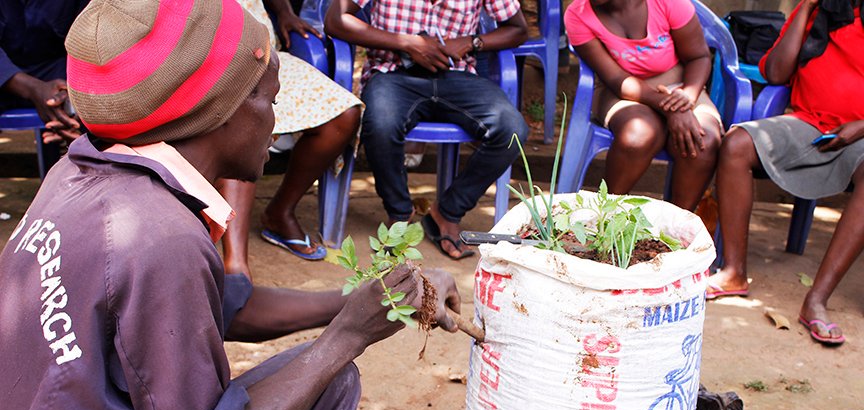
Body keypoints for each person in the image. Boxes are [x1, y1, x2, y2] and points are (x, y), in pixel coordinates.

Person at [0, 0, 459, 410]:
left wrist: (362, 301)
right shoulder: (160, 235)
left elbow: (223, 307)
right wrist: (347, 336)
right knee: (326, 390)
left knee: (301, 377)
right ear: (223, 109)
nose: (278, 127)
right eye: (272, 100)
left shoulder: (79, 173)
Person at [707, 0, 864, 347]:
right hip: (809, 124)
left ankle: (816, 300)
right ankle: (733, 272)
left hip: (861, 135)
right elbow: (776, 73)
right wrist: (806, 8)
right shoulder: (820, 13)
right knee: (736, 144)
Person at [323, 0, 530, 260]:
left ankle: (447, 213)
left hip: (457, 76)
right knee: (381, 124)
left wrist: (472, 42)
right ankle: (400, 213)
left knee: (512, 130)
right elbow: (336, 20)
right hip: (393, 74)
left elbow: (518, 29)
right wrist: (407, 43)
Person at [218, 0, 362, 274]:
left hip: (264, 57)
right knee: (245, 120)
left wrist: (284, 11)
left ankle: (280, 212)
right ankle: (236, 267)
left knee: (343, 115)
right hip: (213, 61)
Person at [564, 0, 722, 211]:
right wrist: (671, 109)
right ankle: (607, 214)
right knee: (639, 134)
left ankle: (677, 222)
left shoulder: (667, 3)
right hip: (620, 91)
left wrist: (686, 97)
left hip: (680, 86)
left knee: (702, 140)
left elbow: (699, 57)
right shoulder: (578, 14)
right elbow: (616, 79)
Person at [0, 0, 87, 145]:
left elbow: (92, 40)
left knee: (97, 99)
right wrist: (33, 89)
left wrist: (72, 93)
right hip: (6, 77)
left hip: (58, 72)